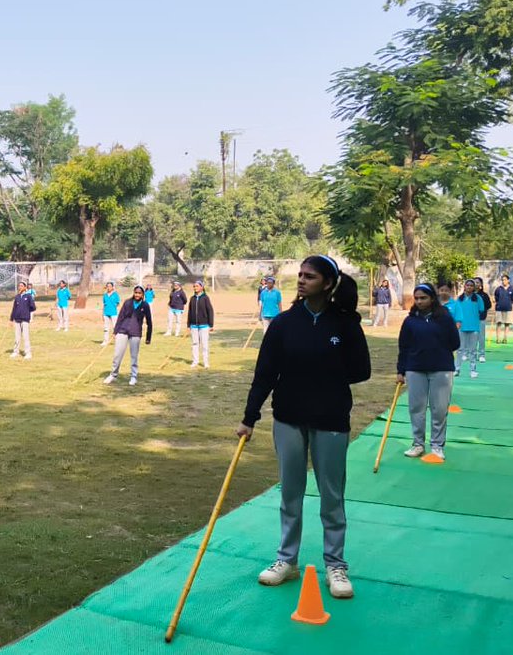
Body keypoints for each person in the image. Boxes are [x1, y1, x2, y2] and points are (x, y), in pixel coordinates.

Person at [238, 255, 370, 600]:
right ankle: (287, 560)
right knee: (290, 493)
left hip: (331, 420)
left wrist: (325, 373)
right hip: (288, 418)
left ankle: (335, 565)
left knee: (332, 496)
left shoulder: (345, 324)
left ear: (327, 283)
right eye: (300, 275)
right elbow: (265, 373)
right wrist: (249, 417)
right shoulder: (284, 323)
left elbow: (362, 370)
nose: (301, 280)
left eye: (309, 276)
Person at [397, 283, 460, 461]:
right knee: (416, 408)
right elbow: (403, 347)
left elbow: (455, 343)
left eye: (423, 298)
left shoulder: (444, 318)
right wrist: (400, 371)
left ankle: (437, 445)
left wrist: (438, 349)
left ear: (432, 298)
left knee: (439, 409)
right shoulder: (410, 321)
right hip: (415, 369)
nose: (419, 301)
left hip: (441, 368)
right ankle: (418, 444)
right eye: (416, 298)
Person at [104, 285, 153, 386]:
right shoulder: (127, 302)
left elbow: (149, 322)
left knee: (134, 356)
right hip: (122, 330)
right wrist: (115, 331)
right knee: (117, 354)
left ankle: (133, 376)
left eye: (139, 293)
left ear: (142, 294)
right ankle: (113, 375)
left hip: (135, 333)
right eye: (136, 293)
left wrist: (148, 337)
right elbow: (120, 317)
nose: (137, 295)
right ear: (133, 293)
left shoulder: (145, 305)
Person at [452, 279, 484, 379]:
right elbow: (456, 312)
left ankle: (473, 370)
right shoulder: (460, 299)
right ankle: (457, 369)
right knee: (460, 350)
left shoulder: (478, 298)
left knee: (473, 350)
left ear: (474, 287)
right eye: (467, 285)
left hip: (474, 327)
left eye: (471, 285)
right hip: (462, 327)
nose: (469, 287)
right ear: (464, 287)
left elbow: (481, 309)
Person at [186, 280, 215, 368]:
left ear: (201, 287)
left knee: (204, 344)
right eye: (194, 286)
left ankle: (206, 362)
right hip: (194, 325)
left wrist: (211, 325)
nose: (195, 288)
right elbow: (190, 312)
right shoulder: (192, 298)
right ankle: (195, 361)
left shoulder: (205, 298)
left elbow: (210, 311)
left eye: (197, 286)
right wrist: (188, 325)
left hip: (204, 325)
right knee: (195, 343)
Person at [10, 281, 37, 359]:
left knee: (26, 336)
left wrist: (26, 311)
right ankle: (16, 351)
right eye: (19, 286)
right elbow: (14, 308)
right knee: (17, 337)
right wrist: (11, 319)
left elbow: (33, 307)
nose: (20, 287)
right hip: (17, 319)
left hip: (25, 319)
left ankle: (28, 353)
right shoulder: (17, 297)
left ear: (25, 287)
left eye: (21, 286)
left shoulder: (28, 296)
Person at [493, 274, 513, 344]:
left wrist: (508, 302)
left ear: (508, 280)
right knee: (498, 323)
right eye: (502, 280)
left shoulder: (512, 289)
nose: (503, 281)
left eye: (505, 280)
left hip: (508, 309)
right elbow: (496, 297)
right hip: (499, 309)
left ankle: (505, 338)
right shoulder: (498, 289)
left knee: (507, 324)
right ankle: (498, 339)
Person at [474, 277, 492, 362]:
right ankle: (472, 354)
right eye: (474, 282)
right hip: (470, 320)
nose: (476, 284)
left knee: (481, 337)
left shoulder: (484, 295)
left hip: (481, 319)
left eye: (477, 282)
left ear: (481, 284)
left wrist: (483, 312)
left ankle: (481, 355)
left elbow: (488, 305)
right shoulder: (469, 295)